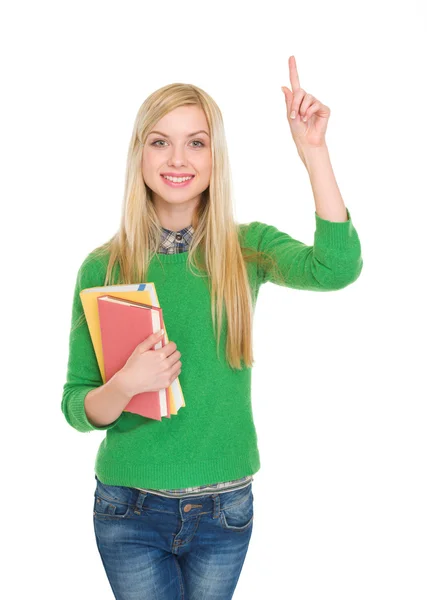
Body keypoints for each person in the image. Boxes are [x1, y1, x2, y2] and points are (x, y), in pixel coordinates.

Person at [61, 63, 363, 600]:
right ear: (140, 155)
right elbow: (78, 408)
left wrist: (314, 152)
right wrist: (128, 383)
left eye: (196, 143)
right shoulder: (102, 268)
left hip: (226, 510)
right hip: (129, 510)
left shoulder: (245, 249)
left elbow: (336, 267)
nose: (178, 159)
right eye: (161, 142)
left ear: (214, 157)